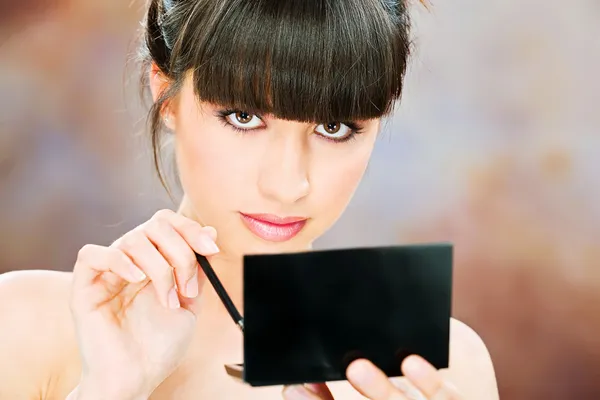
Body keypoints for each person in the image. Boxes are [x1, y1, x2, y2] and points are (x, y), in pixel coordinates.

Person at [0, 0, 499, 399]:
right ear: (166, 93)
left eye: (333, 126)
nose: (287, 185)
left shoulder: (444, 367)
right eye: (243, 116)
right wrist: (108, 391)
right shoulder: (26, 325)